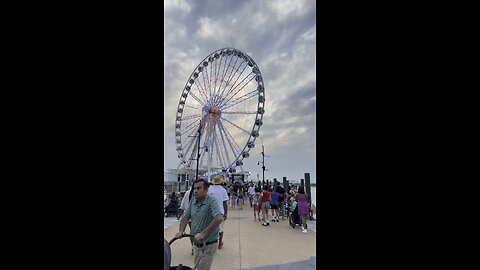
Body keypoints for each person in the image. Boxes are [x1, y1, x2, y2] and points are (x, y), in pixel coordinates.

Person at [175, 179, 224, 270]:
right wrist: (181, 231)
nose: (195, 191)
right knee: (197, 267)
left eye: (198, 188)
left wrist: (203, 234)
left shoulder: (212, 201)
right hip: (196, 243)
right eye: (194, 188)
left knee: (202, 268)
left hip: (208, 244)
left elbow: (219, 218)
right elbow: (185, 217)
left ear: (205, 190)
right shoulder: (193, 200)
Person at [208, 176, 228, 249]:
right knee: (220, 229)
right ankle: (220, 243)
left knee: (210, 228)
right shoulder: (223, 190)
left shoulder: (209, 189)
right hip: (220, 212)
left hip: (210, 212)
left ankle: (210, 243)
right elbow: (225, 202)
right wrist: (226, 213)